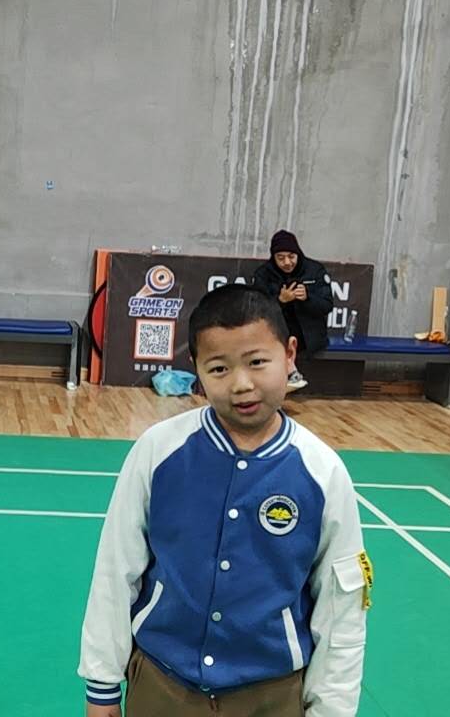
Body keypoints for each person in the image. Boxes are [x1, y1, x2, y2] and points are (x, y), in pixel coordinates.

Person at [79, 284, 368, 717]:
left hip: (272, 695)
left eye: (257, 362)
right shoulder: (158, 450)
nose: (242, 384)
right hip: (161, 686)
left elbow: (342, 606)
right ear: (196, 370)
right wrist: (102, 685)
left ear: (290, 354)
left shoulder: (323, 472)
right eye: (219, 369)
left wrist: (333, 710)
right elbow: (115, 568)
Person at [250, 229, 332, 391]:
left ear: (298, 254)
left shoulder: (315, 270)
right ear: (273, 257)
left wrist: (307, 298)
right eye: (281, 258)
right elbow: (257, 310)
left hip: (308, 333)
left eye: (291, 256)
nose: (287, 262)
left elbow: (326, 305)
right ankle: (290, 374)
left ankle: (290, 375)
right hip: (277, 331)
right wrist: (280, 301)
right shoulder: (263, 274)